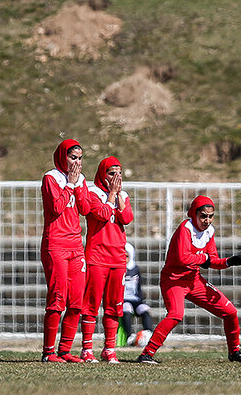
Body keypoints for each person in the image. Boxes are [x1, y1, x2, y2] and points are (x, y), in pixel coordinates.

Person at [137, 195, 241, 365]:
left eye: (211, 216)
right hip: (174, 280)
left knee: (230, 312)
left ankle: (234, 352)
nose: (207, 220)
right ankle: (146, 354)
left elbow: (211, 260)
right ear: (194, 214)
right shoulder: (185, 228)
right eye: (203, 216)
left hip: (194, 280)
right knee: (176, 314)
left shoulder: (209, 231)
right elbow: (183, 258)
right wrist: (205, 259)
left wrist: (228, 262)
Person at [40, 138, 91, 363]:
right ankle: (48, 352)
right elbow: (57, 207)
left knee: (76, 301)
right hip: (56, 245)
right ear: (62, 156)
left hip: (75, 246)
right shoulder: (51, 178)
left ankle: (65, 350)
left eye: (80, 158)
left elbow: (85, 208)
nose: (76, 163)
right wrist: (69, 184)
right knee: (58, 298)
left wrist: (78, 185)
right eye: (73, 157)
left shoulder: (80, 179)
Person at [80, 156, 133, 364]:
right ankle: (87, 349)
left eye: (119, 173)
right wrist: (111, 194)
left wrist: (118, 196)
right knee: (91, 305)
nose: (116, 178)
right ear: (103, 174)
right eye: (112, 173)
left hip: (117, 257)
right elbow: (101, 214)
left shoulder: (123, 195)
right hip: (97, 256)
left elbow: (126, 218)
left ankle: (109, 349)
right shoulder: (92, 193)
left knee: (114, 306)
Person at [121, 242, 156, 348]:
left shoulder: (135, 269)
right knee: (127, 308)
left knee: (144, 309)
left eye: (126, 256)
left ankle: (149, 334)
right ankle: (129, 336)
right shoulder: (118, 269)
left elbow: (138, 287)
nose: (125, 259)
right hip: (123, 299)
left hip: (135, 299)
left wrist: (141, 299)